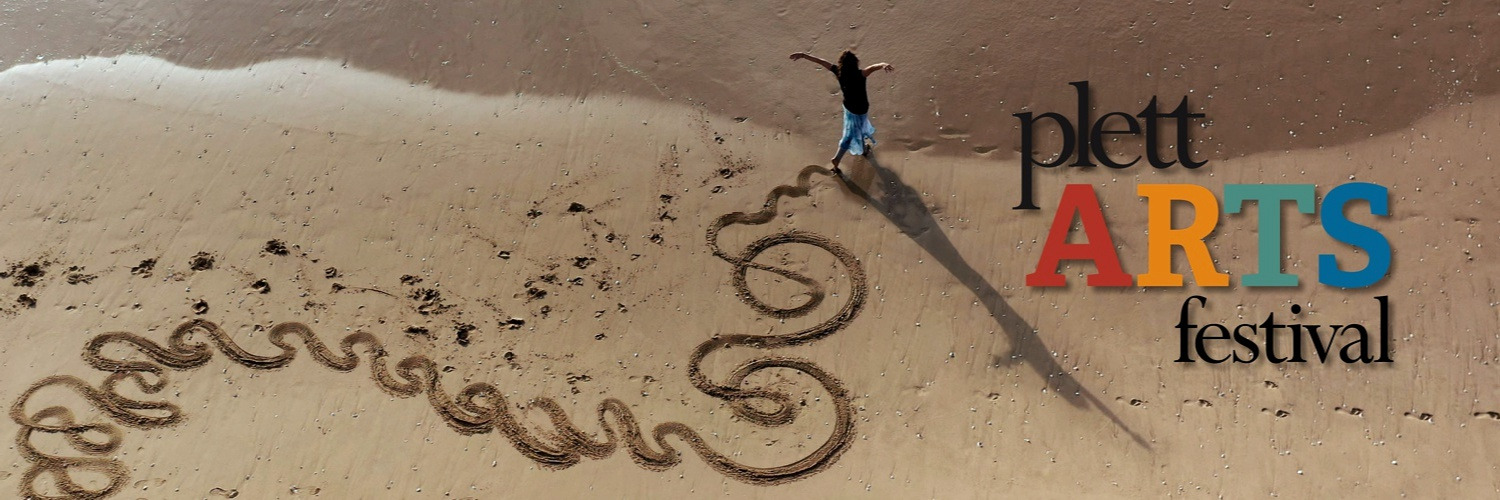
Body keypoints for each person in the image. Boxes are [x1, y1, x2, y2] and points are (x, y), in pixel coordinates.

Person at [789, 50, 894, 174]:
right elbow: (873, 68)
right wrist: (883, 65)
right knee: (851, 134)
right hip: (860, 110)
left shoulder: (838, 72)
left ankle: (863, 148)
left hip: (848, 108)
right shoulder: (861, 74)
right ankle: (838, 157)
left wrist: (803, 55)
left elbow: (821, 61)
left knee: (851, 129)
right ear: (855, 63)